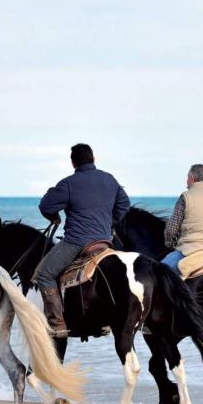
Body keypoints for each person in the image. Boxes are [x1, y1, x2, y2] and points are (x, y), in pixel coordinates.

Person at [35, 143, 130, 336]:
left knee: (44, 273)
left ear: (73, 163)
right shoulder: (109, 179)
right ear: (93, 159)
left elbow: (45, 205)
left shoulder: (68, 183)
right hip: (105, 243)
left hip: (77, 242)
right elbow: (124, 204)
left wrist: (54, 216)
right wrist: (110, 223)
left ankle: (57, 323)